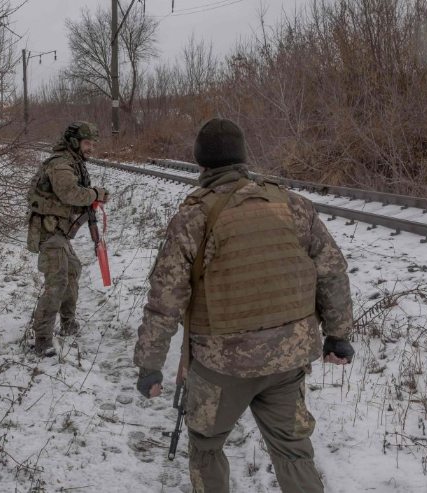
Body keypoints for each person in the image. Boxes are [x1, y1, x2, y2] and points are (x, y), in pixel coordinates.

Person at [133, 118, 355, 492]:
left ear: (200, 163)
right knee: (293, 451)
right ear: (242, 158)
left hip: (222, 364)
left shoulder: (193, 217)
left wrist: (150, 364)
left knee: (206, 446)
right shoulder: (294, 205)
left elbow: (165, 299)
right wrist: (338, 335)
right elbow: (332, 272)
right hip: (288, 359)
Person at [26, 122, 108, 358]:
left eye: (92, 143)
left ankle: (68, 323)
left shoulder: (74, 162)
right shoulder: (61, 163)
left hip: (58, 231)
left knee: (72, 270)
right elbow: (70, 193)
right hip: (49, 231)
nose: (91, 147)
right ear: (74, 142)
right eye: (87, 143)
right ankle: (42, 339)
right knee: (58, 279)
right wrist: (96, 193)